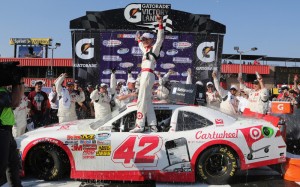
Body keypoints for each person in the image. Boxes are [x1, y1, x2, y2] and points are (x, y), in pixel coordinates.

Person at [130, 14, 164, 133]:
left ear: (150, 40)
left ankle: (139, 125)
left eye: (145, 39)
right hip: (145, 75)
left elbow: (160, 39)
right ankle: (153, 125)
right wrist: (139, 39)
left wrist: (160, 24)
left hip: (148, 74)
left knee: (141, 99)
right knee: (148, 101)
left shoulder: (154, 48)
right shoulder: (145, 49)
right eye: (143, 39)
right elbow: (140, 44)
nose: (143, 41)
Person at [0, 82, 24, 187]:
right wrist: (17, 83)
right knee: (2, 165)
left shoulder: (4, 91)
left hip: (7, 131)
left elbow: (18, 100)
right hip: (1, 130)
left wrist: (20, 83)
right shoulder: (1, 92)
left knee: (13, 164)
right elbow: (15, 102)